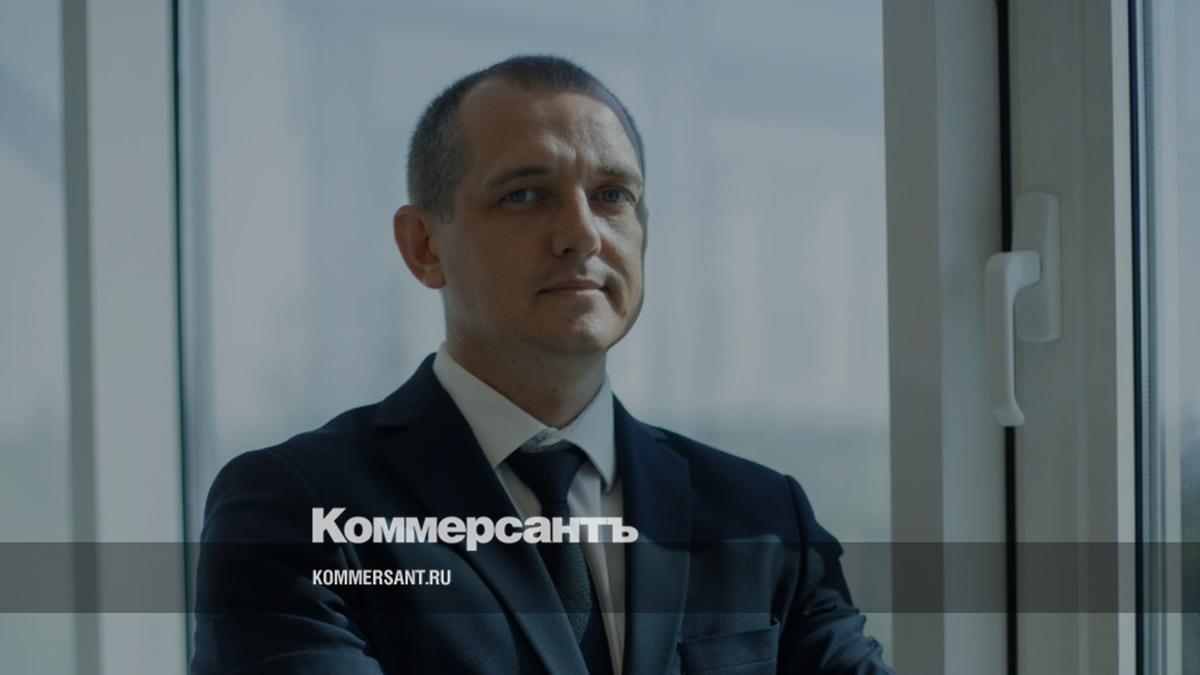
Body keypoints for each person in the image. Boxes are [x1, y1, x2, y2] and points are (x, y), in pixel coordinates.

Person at [191, 54, 893, 675]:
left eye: (613, 195)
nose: (582, 233)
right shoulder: (297, 510)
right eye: (525, 194)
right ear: (424, 246)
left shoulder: (763, 518)